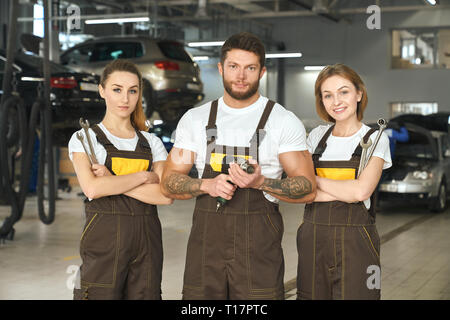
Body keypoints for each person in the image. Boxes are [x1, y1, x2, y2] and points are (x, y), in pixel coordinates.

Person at [160, 32, 316, 300]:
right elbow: (168, 182)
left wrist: (261, 183)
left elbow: (307, 188)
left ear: (262, 71)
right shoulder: (195, 120)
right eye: (233, 66)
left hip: (258, 253)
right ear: (221, 68)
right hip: (205, 253)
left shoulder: (282, 121)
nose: (241, 76)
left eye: (250, 68)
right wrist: (204, 184)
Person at [68, 59, 173, 300]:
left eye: (132, 91)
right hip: (104, 242)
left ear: (139, 94)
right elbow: (93, 188)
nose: (125, 99)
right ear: (102, 90)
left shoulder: (152, 143)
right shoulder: (85, 139)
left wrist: (113, 181)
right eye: (117, 90)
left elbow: (165, 196)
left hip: (148, 244)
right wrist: (143, 177)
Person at [296, 64, 391, 300]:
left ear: (359, 94)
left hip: (356, 242)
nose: (336, 101)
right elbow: (300, 189)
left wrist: (315, 181)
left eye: (344, 92)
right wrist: (342, 191)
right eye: (327, 95)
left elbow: (361, 192)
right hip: (313, 238)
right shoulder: (317, 136)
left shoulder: (376, 138)